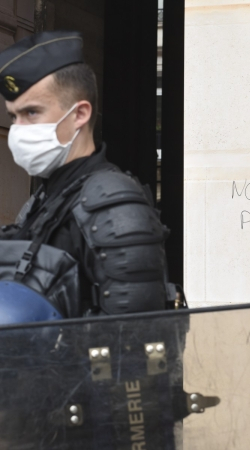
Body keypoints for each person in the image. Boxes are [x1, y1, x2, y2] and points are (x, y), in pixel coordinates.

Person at [0, 31, 171, 318]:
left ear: (79, 114)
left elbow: (134, 340)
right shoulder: (46, 199)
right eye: (13, 116)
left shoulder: (113, 202)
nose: (18, 129)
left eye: (31, 113)